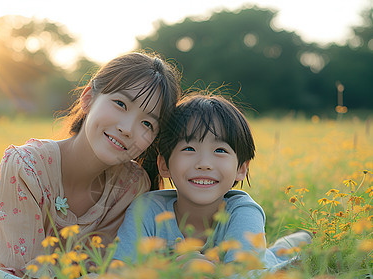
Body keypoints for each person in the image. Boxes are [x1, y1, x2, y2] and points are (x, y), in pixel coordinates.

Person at [0, 52, 181, 279]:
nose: (127, 129)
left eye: (147, 124)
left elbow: (105, 269)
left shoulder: (131, 186)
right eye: (121, 104)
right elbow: (19, 275)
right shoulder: (26, 166)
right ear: (88, 98)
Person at [112, 93, 312, 267]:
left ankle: (296, 242)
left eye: (220, 150)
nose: (204, 164)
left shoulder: (243, 211)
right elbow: (120, 271)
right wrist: (172, 271)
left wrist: (200, 271)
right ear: (164, 164)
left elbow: (245, 275)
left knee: (278, 256)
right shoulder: (146, 210)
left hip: (263, 263)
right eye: (189, 149)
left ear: (241, 169)